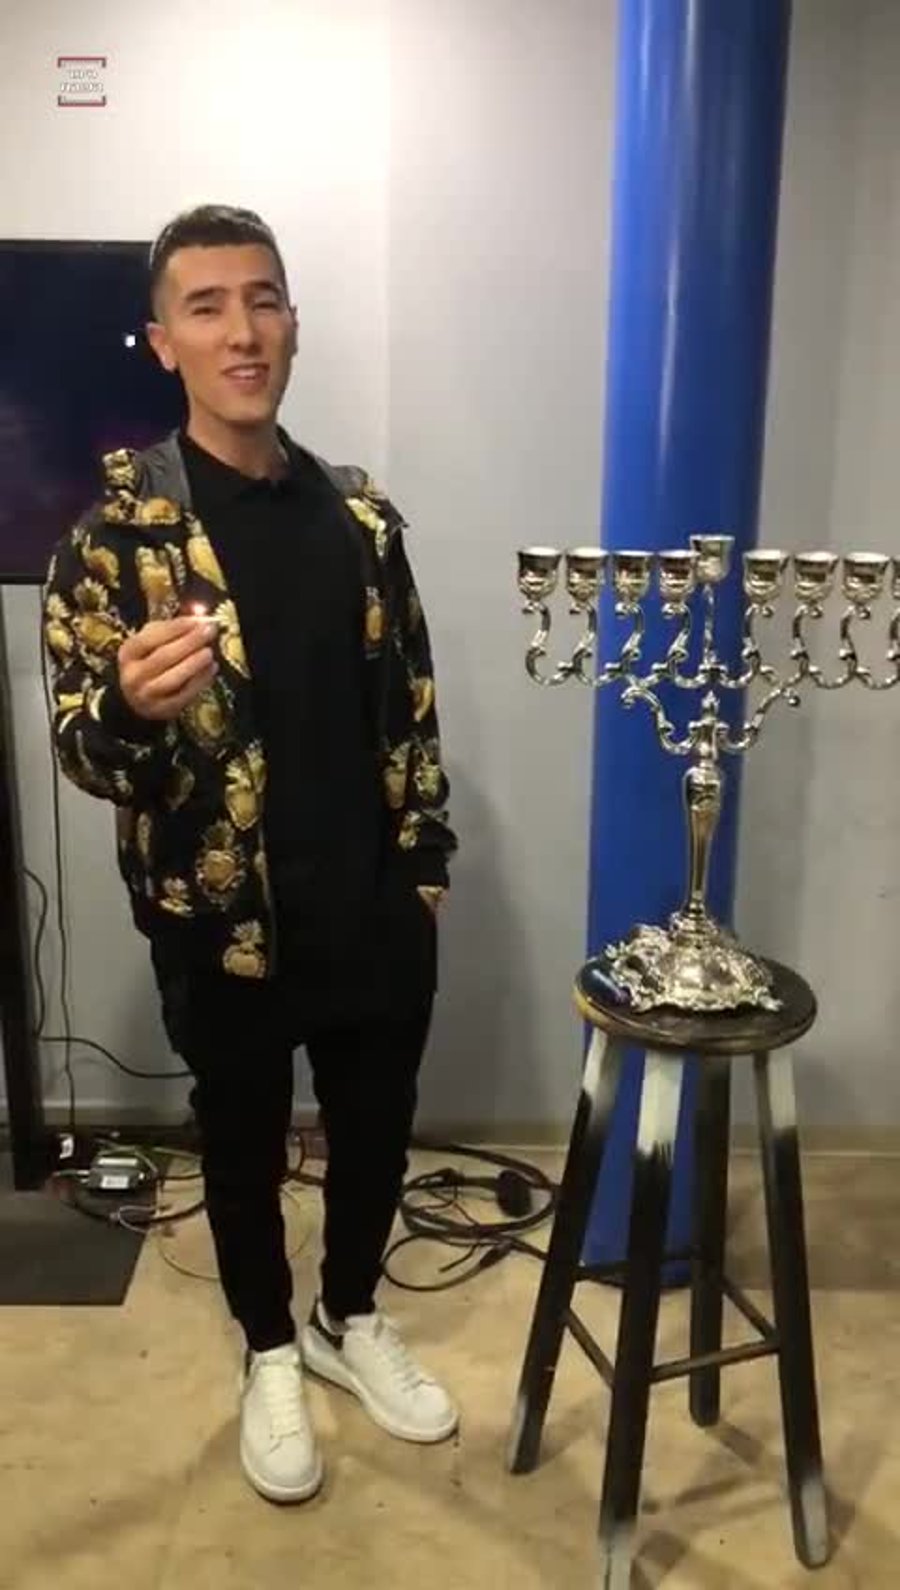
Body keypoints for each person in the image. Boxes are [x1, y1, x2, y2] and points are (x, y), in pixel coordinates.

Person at [43, 204, 459, 1504]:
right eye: (209, 305)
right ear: (164, 340)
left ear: (292, 324)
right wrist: (130, 707)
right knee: (239, 1146)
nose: (243, 330)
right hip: (219, 919)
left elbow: (413, 706)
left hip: (373, 904)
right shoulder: (114, 541)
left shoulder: (362, 519)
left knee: (376, 1132)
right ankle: (270, 1348)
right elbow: (86, 749)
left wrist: (426, 868)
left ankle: (348, 1315)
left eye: (263, 299)